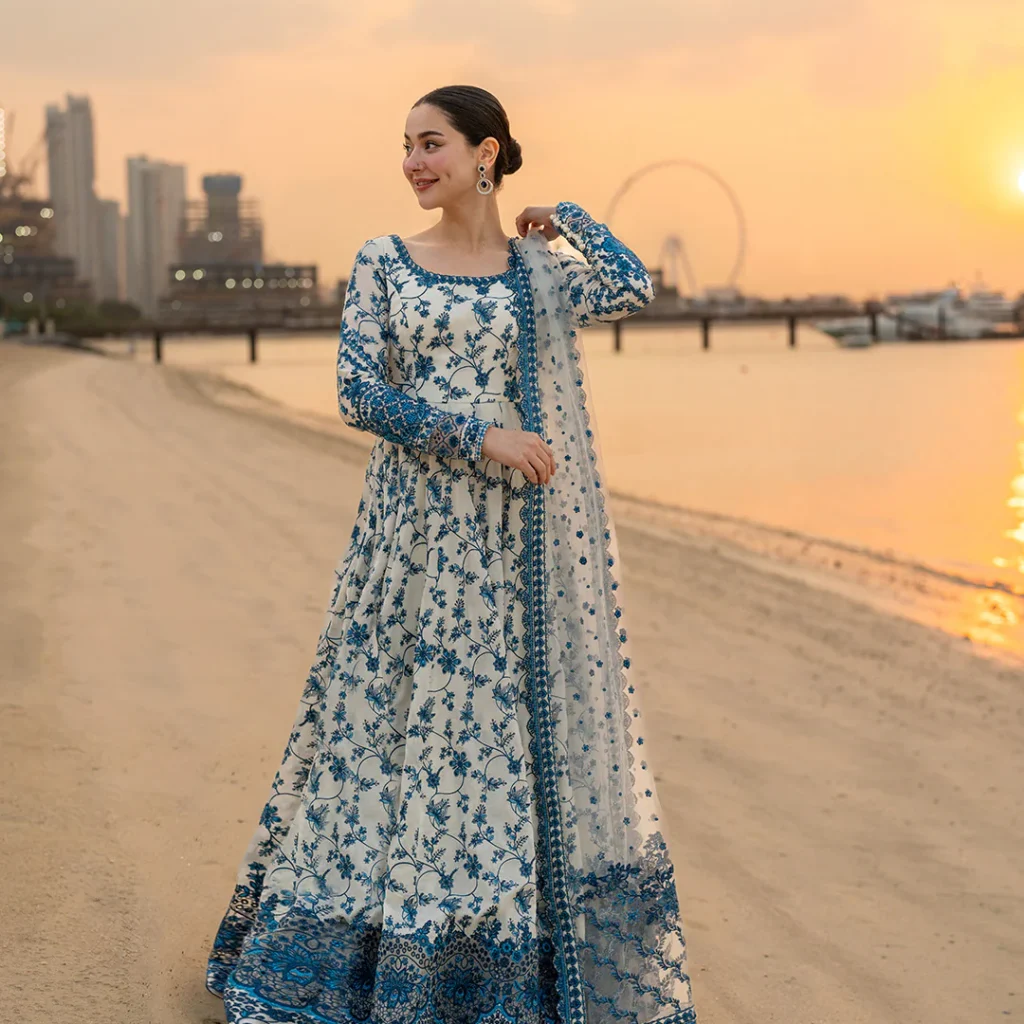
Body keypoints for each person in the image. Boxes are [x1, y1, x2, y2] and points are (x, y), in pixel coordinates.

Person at [206, 84, 699, 1024]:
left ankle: (504, 969)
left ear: (488, 152)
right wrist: (482, 437)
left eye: (431, 143)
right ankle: (373, 965)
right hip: (415, 542)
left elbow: (634, 286)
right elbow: (358, 393)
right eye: (405, 146)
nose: (413, 162)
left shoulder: (537, 273)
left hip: (521, 554)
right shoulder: (386, 262)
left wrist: (570, 218)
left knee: (502, 746)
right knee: (394, 733)